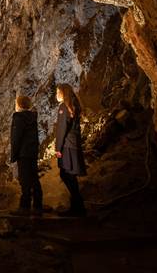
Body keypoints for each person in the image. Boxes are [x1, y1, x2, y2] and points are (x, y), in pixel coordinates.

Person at [55, 84, 87, 217]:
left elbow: (62, 129)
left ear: (64, 93)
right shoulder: (74, 105)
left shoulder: (64, 107)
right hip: (74, 144)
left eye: (58, 92)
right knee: (70, 175)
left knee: (66, 174)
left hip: (67, 145)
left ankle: (78, 206)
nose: (56, 94)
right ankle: (76, 206)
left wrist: (58, 148)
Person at [10, 95, 43, 214]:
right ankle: (38, 205)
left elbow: (16, 137)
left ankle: (24, 206)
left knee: (24, 179)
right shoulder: (32, 116)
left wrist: (13, 154)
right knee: (34, 177)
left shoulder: (18, 117)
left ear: (18, 105)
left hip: (23, 153)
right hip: (32, 152)